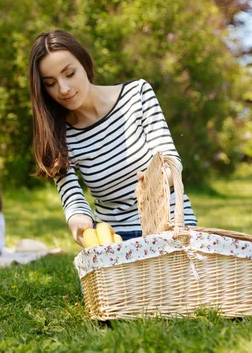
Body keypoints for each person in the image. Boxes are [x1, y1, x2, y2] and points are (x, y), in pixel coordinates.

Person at [28, 30, 197, 246]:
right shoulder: (58, 133)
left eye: (69, 73)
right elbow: (72, 197)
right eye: (50, 83)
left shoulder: (137, 95)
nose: (64, 88)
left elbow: (172, 162)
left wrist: (157, 179)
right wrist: (78, 220)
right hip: (116, 241)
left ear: (84, 64)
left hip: (171, 228)